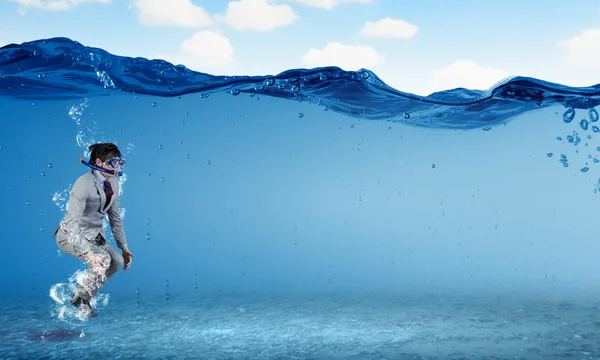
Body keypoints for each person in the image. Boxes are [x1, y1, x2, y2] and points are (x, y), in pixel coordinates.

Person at [52, 142, 133, 318]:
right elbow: (72, 224)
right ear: (98, 162)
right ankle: (81, 298)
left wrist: (124, 247)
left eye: (120, 163)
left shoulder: (114, 184)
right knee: (102, 260)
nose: (117, 168)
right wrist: (89, 254)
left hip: (94, 235)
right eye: (113, 163)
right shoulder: (83, 184)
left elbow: (115, 218)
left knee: (117, 261)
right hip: (71, 236)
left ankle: (81, 298)